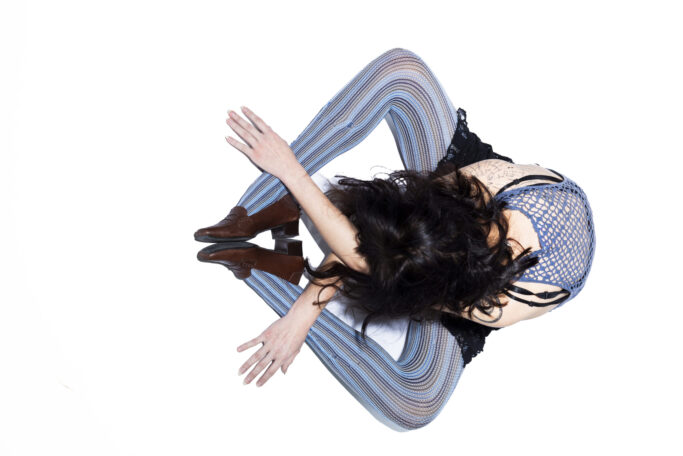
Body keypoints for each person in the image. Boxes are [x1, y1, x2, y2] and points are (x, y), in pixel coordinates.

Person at [193, 48, 596, 431]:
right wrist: (288, 165)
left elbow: (371, 260)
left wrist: (299, 318)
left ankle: (265, 265)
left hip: (466, 289)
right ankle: (262, 207)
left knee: (413, 406)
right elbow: (379, 239)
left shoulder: (496, 306)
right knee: (402, 73)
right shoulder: (487, 181)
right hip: (474, 196)